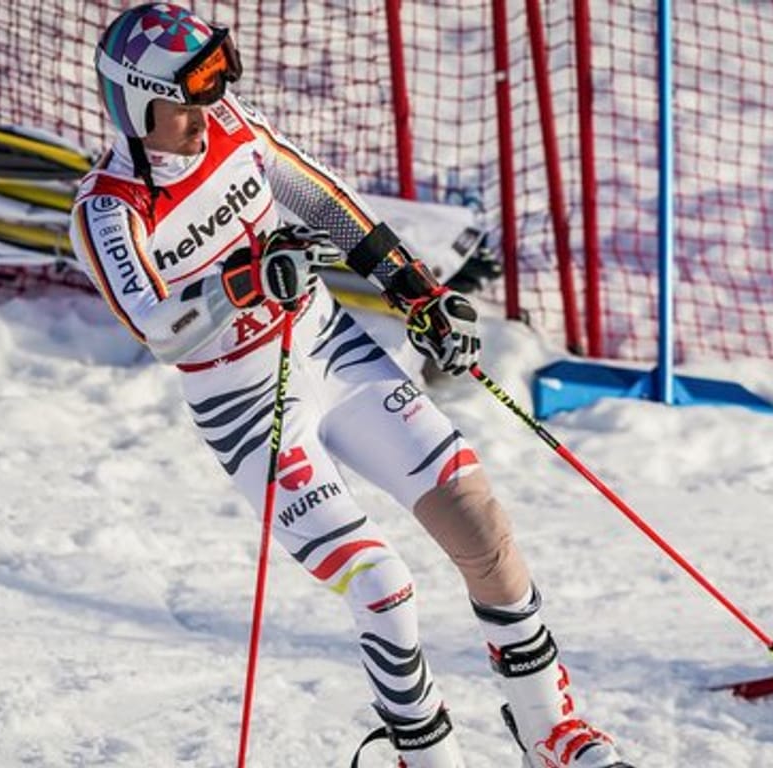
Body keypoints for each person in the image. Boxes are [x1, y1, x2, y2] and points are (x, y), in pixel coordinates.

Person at [70, 5, 633, 767]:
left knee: (481, 524)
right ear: (137, 106)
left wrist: (414, 290)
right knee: (381, 584)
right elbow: (156, 329)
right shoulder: (109, 208)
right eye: (183, 105)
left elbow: (321, 203)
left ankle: (552, 732)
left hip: (332, 352)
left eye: (208, 99)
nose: (204, 117)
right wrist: (239, 285)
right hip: (248, 406)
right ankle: (424, 756)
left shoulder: (233, 129)